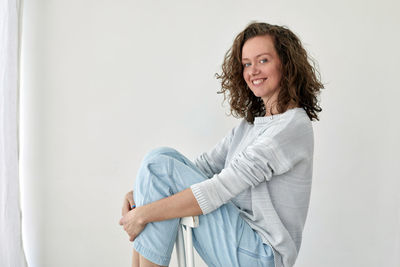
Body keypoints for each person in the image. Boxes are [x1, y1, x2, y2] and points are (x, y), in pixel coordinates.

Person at [119, 21, 323, 267]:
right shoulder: (250, 126)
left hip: (262, 255)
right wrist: (143, 189)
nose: (253, 71)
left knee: (159, 167)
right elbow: (203, 168)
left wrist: (143, 213)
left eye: (263, 60)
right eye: (247, 64)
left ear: (286, 63)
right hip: (238, 240)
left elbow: (219, 189)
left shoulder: (292, 126)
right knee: (160, 157)